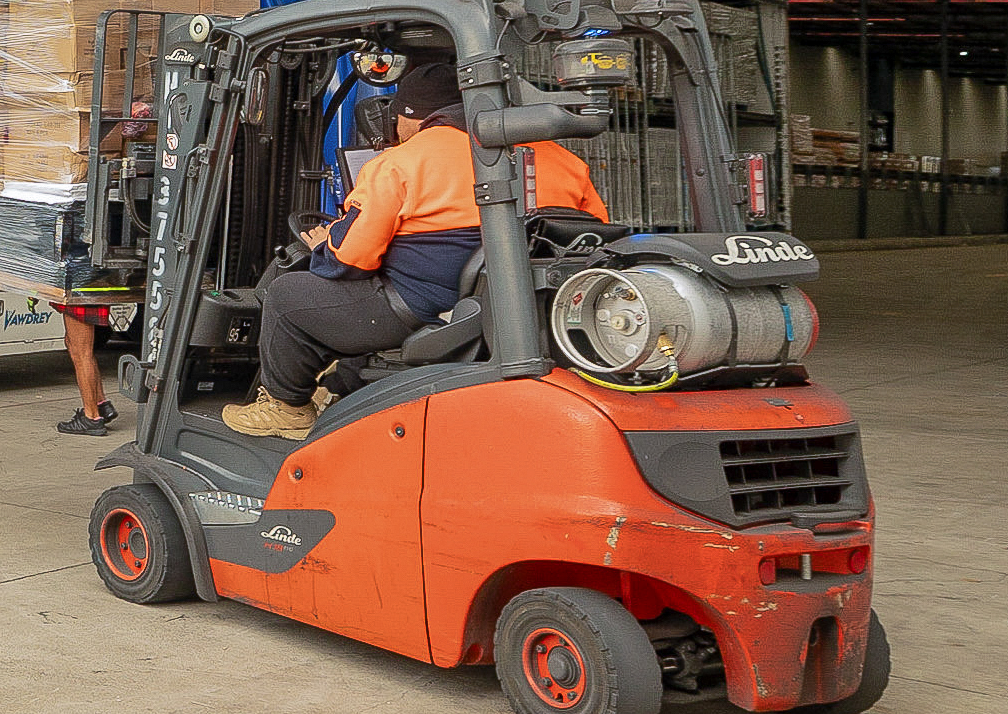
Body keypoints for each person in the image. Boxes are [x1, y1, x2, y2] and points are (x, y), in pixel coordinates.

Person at [221, 61, 610, 438]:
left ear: (414, 114)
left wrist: (327, 243)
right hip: (527, 308)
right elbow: (596, 234)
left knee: (289, 295)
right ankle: (344, 388)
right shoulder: (564, 160)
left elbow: (351, 259)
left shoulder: (402, 161)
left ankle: (287, 408)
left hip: (425, 307)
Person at [57, 98, 157, 435]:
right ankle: (100, 403)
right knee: (76, 345)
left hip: (80, 276)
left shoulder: (83, 182)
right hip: (83, 271)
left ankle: (92, 417)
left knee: (80, 348)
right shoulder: (90, 183)